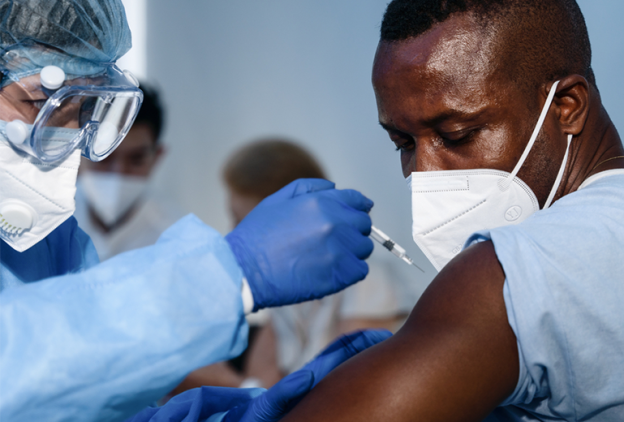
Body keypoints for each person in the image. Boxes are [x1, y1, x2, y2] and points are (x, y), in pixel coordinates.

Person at [279, 0, 624, 421]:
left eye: (457, 134)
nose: (424, 174)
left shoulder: (518, 269)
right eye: (403, 144)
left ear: (567, 106)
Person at [0, 1, 381, 421]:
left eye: (83, 106)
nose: (66, 132)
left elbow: (76, 403)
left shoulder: (52, 238)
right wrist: (229, 275)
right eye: (43, 99)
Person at [222, 139, 414, 387]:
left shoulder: (370, 279)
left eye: (241, 223)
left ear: (292, 219)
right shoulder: (285, 289)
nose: (232, 235)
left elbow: (349, 387)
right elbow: (257, 384)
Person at [75, 82, 183, 261]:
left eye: (136, 159)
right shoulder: (45, 225)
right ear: (79, 150)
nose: (118, 172)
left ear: (157, 157)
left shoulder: (177, 238)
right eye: (104, 155)